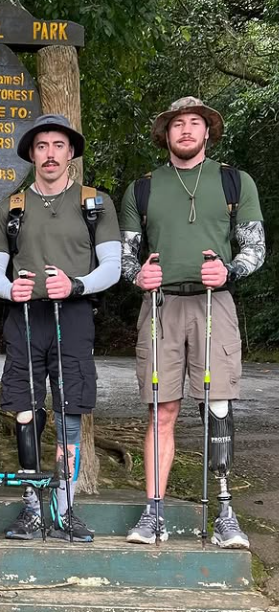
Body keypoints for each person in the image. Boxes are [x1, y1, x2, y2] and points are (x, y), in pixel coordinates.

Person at [120, 97, 265, 548]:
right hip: (161, 305)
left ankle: (224, 513)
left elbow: (255, 248)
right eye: (177, 124)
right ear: (166, 134)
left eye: (194, 123)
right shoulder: (141, 189)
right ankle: (153, 512)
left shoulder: (233, 182)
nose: (185, 130)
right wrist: (137, 274)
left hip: (214, 302)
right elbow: (124, 254)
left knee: (217, 407)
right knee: (161, 409)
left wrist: (230, 270)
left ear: (208, 132)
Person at [0, 114, 121, 541]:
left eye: (58, 145)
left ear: (71, 152)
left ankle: (63, 509)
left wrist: (77, 284)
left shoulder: (94, 203)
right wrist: (10, 291)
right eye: (41, 146)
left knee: (70, 412)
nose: (49, 153)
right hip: (26, 318)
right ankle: (30, 506)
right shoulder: (12, 206)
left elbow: (113, 266)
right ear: (30, 153)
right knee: (26, 410)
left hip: (74, 316)